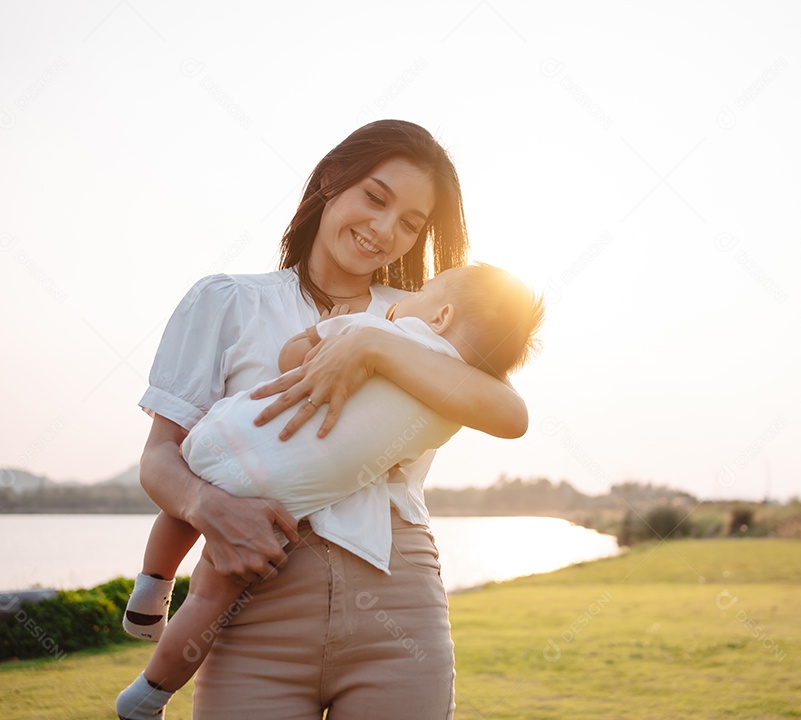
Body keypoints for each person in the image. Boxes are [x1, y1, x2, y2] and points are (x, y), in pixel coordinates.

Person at [130, 120, 530, 720]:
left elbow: (510, 413)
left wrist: (373, 348)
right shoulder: (226, 301)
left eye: (410, 224)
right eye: (375, 197)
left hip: (399, 610)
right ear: (331, 181)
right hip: (252, 602)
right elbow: (162, 457)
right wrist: (209, 508)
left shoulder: (428, 327)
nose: (383, 230)